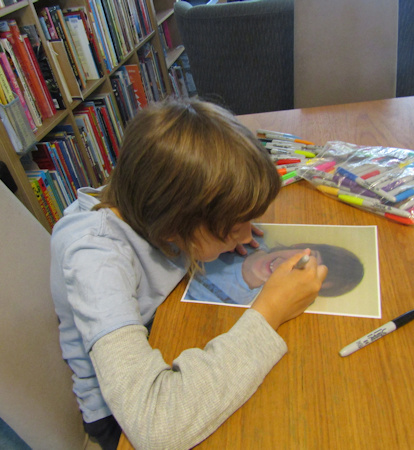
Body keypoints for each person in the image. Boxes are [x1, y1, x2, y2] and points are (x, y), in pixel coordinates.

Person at [50, 99, 328, 450]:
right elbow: (155, 426)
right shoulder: (96, 260)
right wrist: (270, 310)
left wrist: (220, 230)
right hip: (117, 418)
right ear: (172, 227)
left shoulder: (153, 197)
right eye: (234, 227)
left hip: (162, 332)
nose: (247, 235)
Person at [186, 241, 364, 306]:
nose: (292, 266)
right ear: (299, 246)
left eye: (307, 274)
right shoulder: (246, 232)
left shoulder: (246, 310)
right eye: (308, 259)